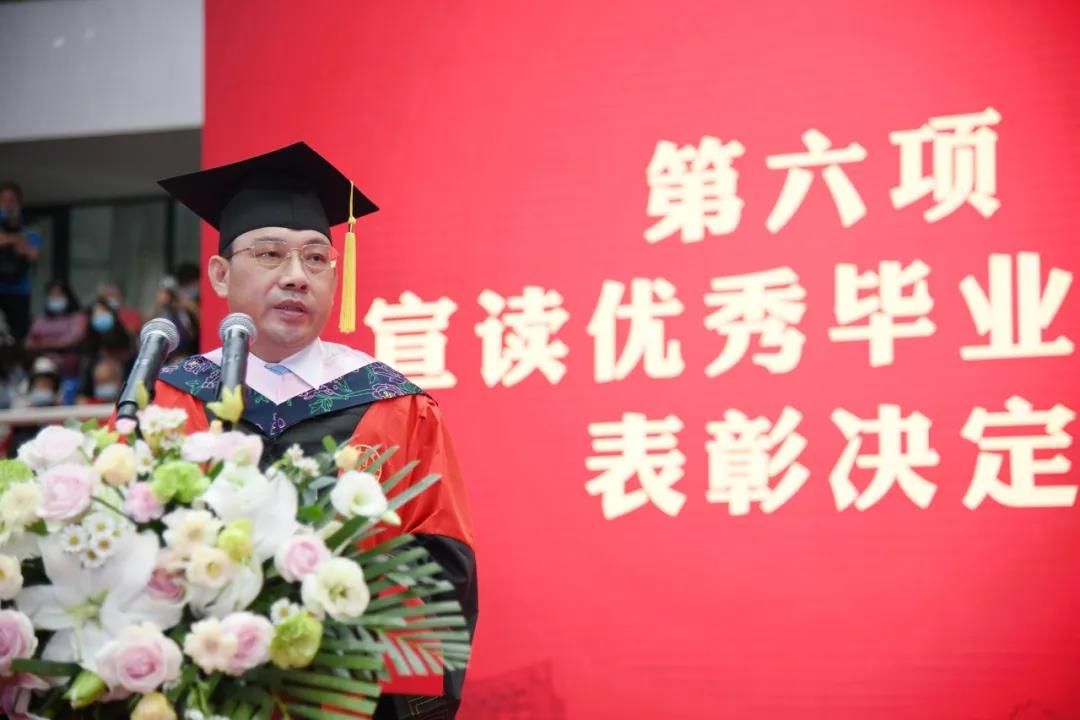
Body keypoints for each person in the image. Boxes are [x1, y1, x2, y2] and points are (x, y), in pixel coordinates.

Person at [151, 142, 477, 719]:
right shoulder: (167, 401)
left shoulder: (395, 405)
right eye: (270, 254)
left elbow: (442, 566)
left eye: (317, 258)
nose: (296, 277)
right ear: (220, 275)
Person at [0, 182, 41, 343]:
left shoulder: (29, 226)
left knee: (18, 335)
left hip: (19, 289)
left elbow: (33, 254)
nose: (7, 204)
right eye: (4, 199)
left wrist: (10, 239)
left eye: (12, 200)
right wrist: (18, 240)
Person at [25, 280, 87, 385]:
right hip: (41, 362)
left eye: (58, 295)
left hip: (67, 363)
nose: (55, 298)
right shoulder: (41, 319)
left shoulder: (77, 316)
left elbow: (71, 340)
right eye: (52, 295)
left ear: (67, 296)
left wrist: (44, 343)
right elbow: (28, 343)